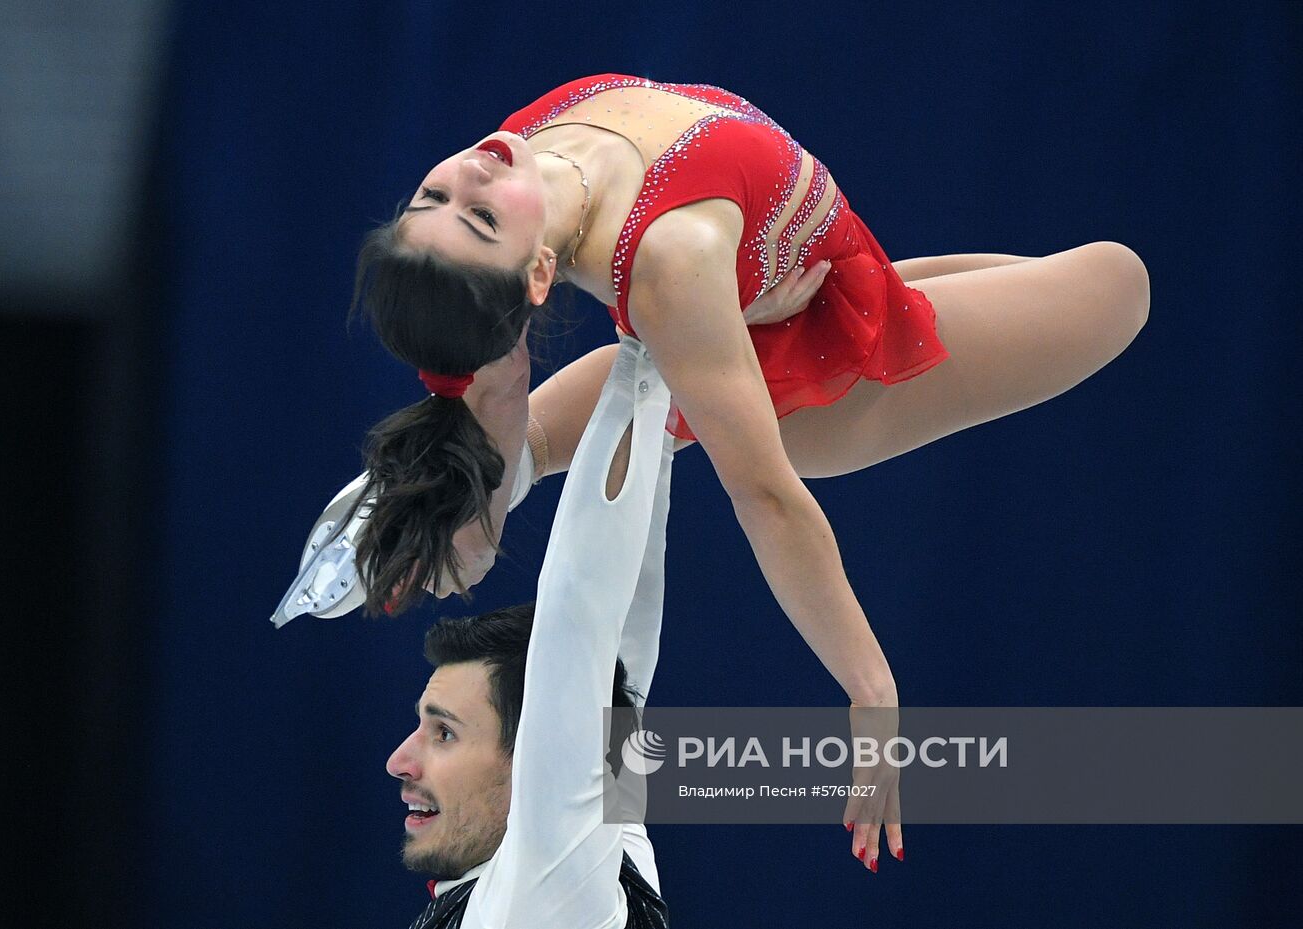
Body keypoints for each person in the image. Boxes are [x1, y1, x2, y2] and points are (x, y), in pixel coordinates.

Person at [336, 73, 1150, 871]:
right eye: (478, 218)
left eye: (430, 200)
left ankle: (466, 492)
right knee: (1120, 284)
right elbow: (764, 495)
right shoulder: (668, 262)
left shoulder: (521, 149)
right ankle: (471, 502)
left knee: (577, 402)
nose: (468, 176)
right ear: (539, 273)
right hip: (832, 368)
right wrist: (872, 690)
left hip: (812, 286)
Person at [388, 338, 675, 927]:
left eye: (444, 734)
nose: (400, 760)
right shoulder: (593, 858)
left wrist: (650, 354)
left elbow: (583, 616)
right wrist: (660, 381)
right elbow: (616, 632)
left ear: (536, 757)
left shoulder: (541, 903)